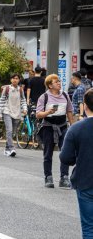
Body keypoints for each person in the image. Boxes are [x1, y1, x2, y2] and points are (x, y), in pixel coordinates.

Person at [60, 89, 93, 239]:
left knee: (89, 228)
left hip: (86, 181)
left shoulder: (76, 128)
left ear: (85, 106)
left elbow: (66, 158)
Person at [36, 74, 74, 188]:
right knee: (48, 153)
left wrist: (72, 126)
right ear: (50, 85)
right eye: (56, 82)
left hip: (63, 126)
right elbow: (38, 114)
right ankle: (48, 177)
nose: (59, 83)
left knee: (65, 152)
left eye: (59, 81)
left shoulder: (65, 95)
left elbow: (70, 111)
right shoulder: (44, 97)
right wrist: (48, 112)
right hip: (48, 126)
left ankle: (64, 177)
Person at [0, 74, 28, 157]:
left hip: (17, 113)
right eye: (13, 78)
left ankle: (7, 149)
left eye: (17, 78)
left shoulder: (20, 90)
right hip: (7, 111)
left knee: (13, 132)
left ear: (19, 80)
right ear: (11, 80)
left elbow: (23, 100)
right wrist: (0, 113)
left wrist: (25, 109)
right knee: (9, 130)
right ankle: (12, 148)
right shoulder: (6, 89)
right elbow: (2, 100)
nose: (15, 80)